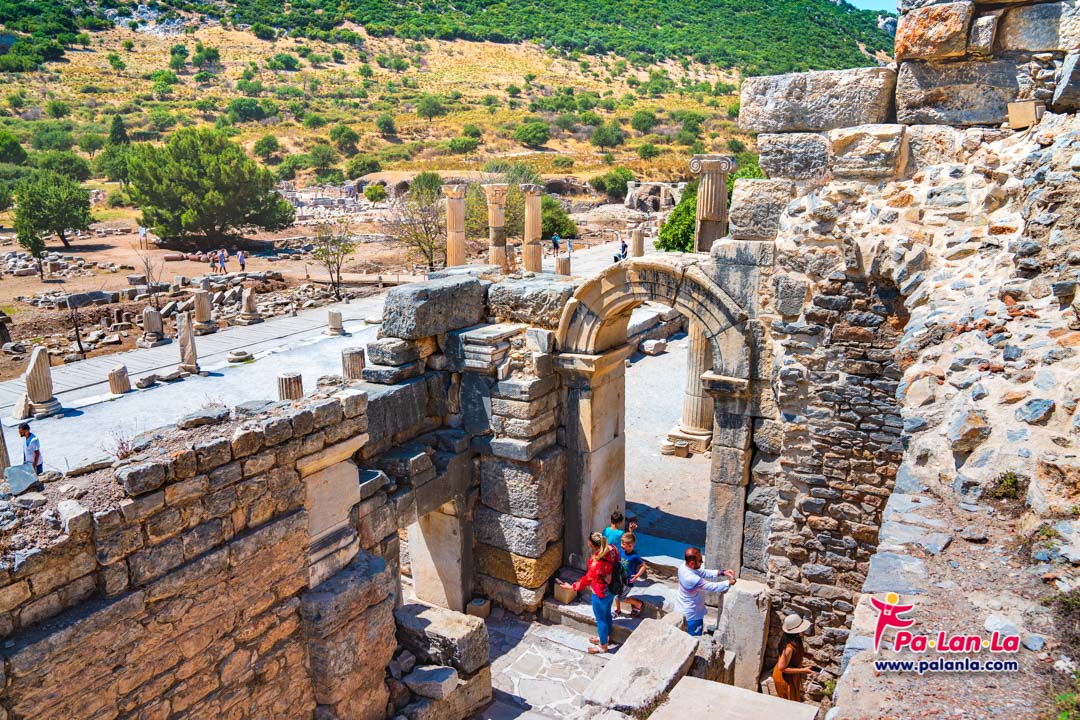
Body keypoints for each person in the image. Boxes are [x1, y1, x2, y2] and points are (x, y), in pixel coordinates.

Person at [556, 532, 619, 654]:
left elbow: (588, 578)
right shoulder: (613, 549)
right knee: (607, 614)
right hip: (611, 589)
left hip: (600, 592)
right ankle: (605, 637)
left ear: (592, 545)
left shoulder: (596, 562)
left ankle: (603, 646)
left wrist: (572, 587)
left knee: (601, 619)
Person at [675, 546, 735, 636]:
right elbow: (713, 587)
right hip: (692, 616)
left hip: (682, 609)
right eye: (700, 560)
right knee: (694, 639)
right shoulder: (691, 579)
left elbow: (703, 572)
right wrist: (729, 582)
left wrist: (722, 572)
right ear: (692, 563)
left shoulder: (683, 566)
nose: (702, 562)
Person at [772, 614, 818, 702]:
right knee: (789, 703)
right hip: (784, 679)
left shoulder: (795, 639)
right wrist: (803, 670)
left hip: (791, 676)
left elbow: (794, 652)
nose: (804, 631)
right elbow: (781, 668)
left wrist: (803, 654)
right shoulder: (788, 648)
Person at [615, 532, 646, 616]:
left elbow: (643, 566)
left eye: (623, 544)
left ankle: (638, 604)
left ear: (630, 545)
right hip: (620, 578)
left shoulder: (634, 557)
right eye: (621, 543)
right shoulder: (622, 551)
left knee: (621, 598)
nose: (621, 545)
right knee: (616, 594)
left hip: (628, 581)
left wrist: (637, 575)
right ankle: (618, 610)